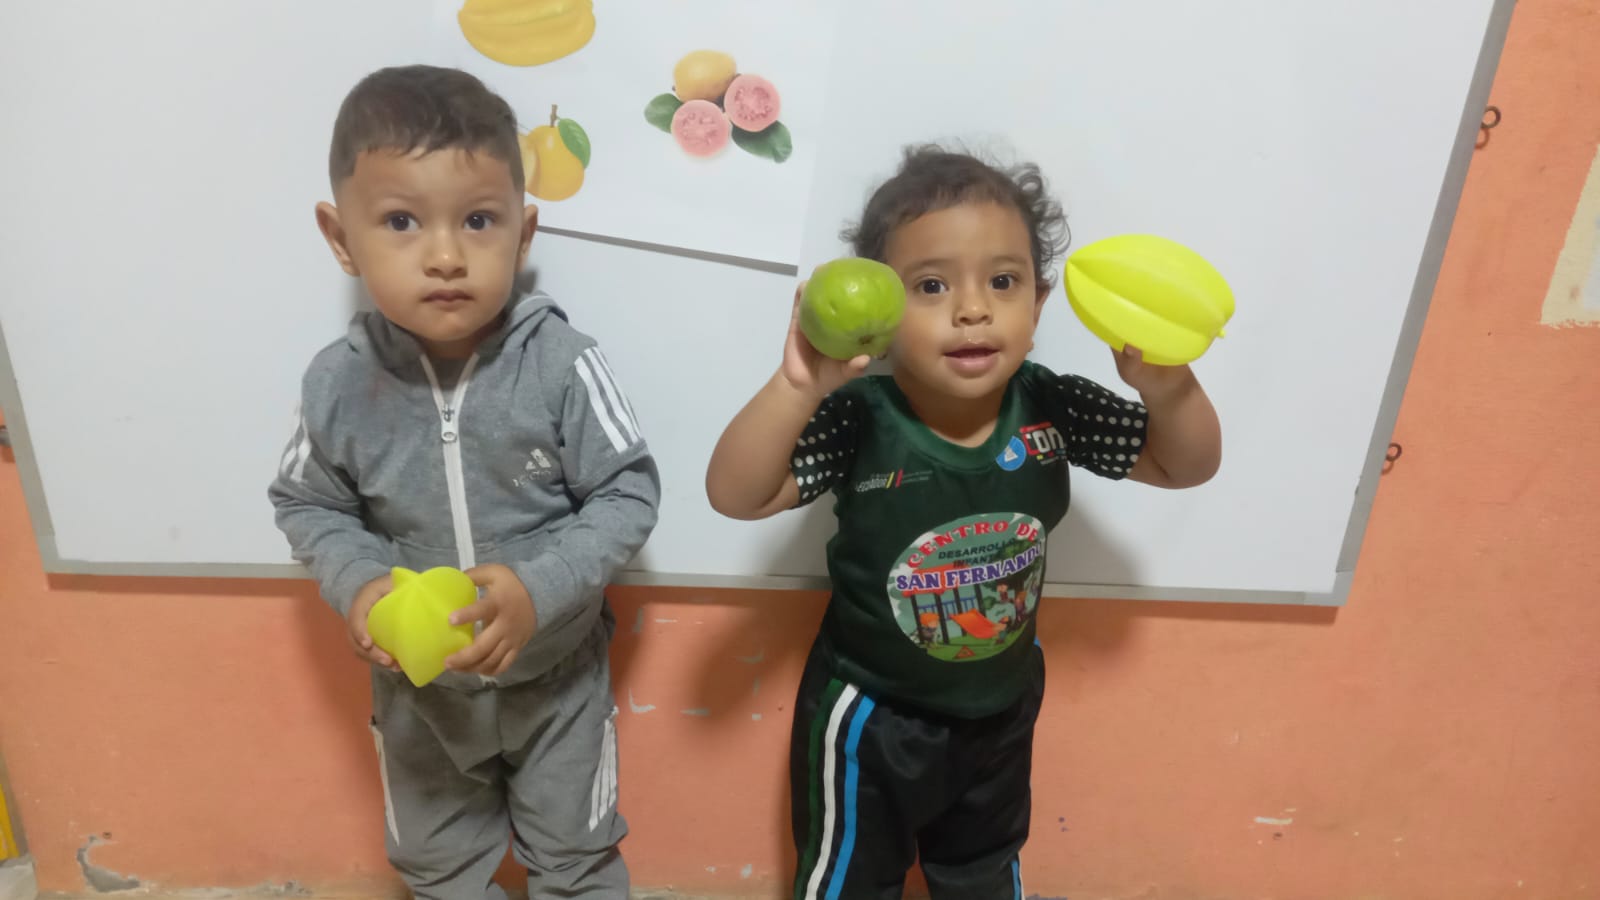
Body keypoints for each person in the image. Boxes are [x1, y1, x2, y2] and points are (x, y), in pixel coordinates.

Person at [705, 145, 1222, 898]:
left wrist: (1169, 390)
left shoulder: (1053, 406)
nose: (973, 309)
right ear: (882, 312)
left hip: (1001, 710)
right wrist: (797, 387)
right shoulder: (859, 417)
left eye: (1003, 281)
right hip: (870, 712)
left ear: (1038, 304)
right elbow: (738, 495)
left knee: (983, 873)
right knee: (850, 884)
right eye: (932, 285)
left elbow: (1183, 465)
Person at [268, 64, 659, 900]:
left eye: (479, 220)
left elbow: (629, 494)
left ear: (523, 232)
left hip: (557, 681)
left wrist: (537, 590)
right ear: (341, 238)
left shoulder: (564, 365)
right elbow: (306, 501)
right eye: (401, 221)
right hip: (420, 694)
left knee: (578, 860)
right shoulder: (336, 382)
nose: (445, 256)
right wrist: (360, 582)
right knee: (438, 867)